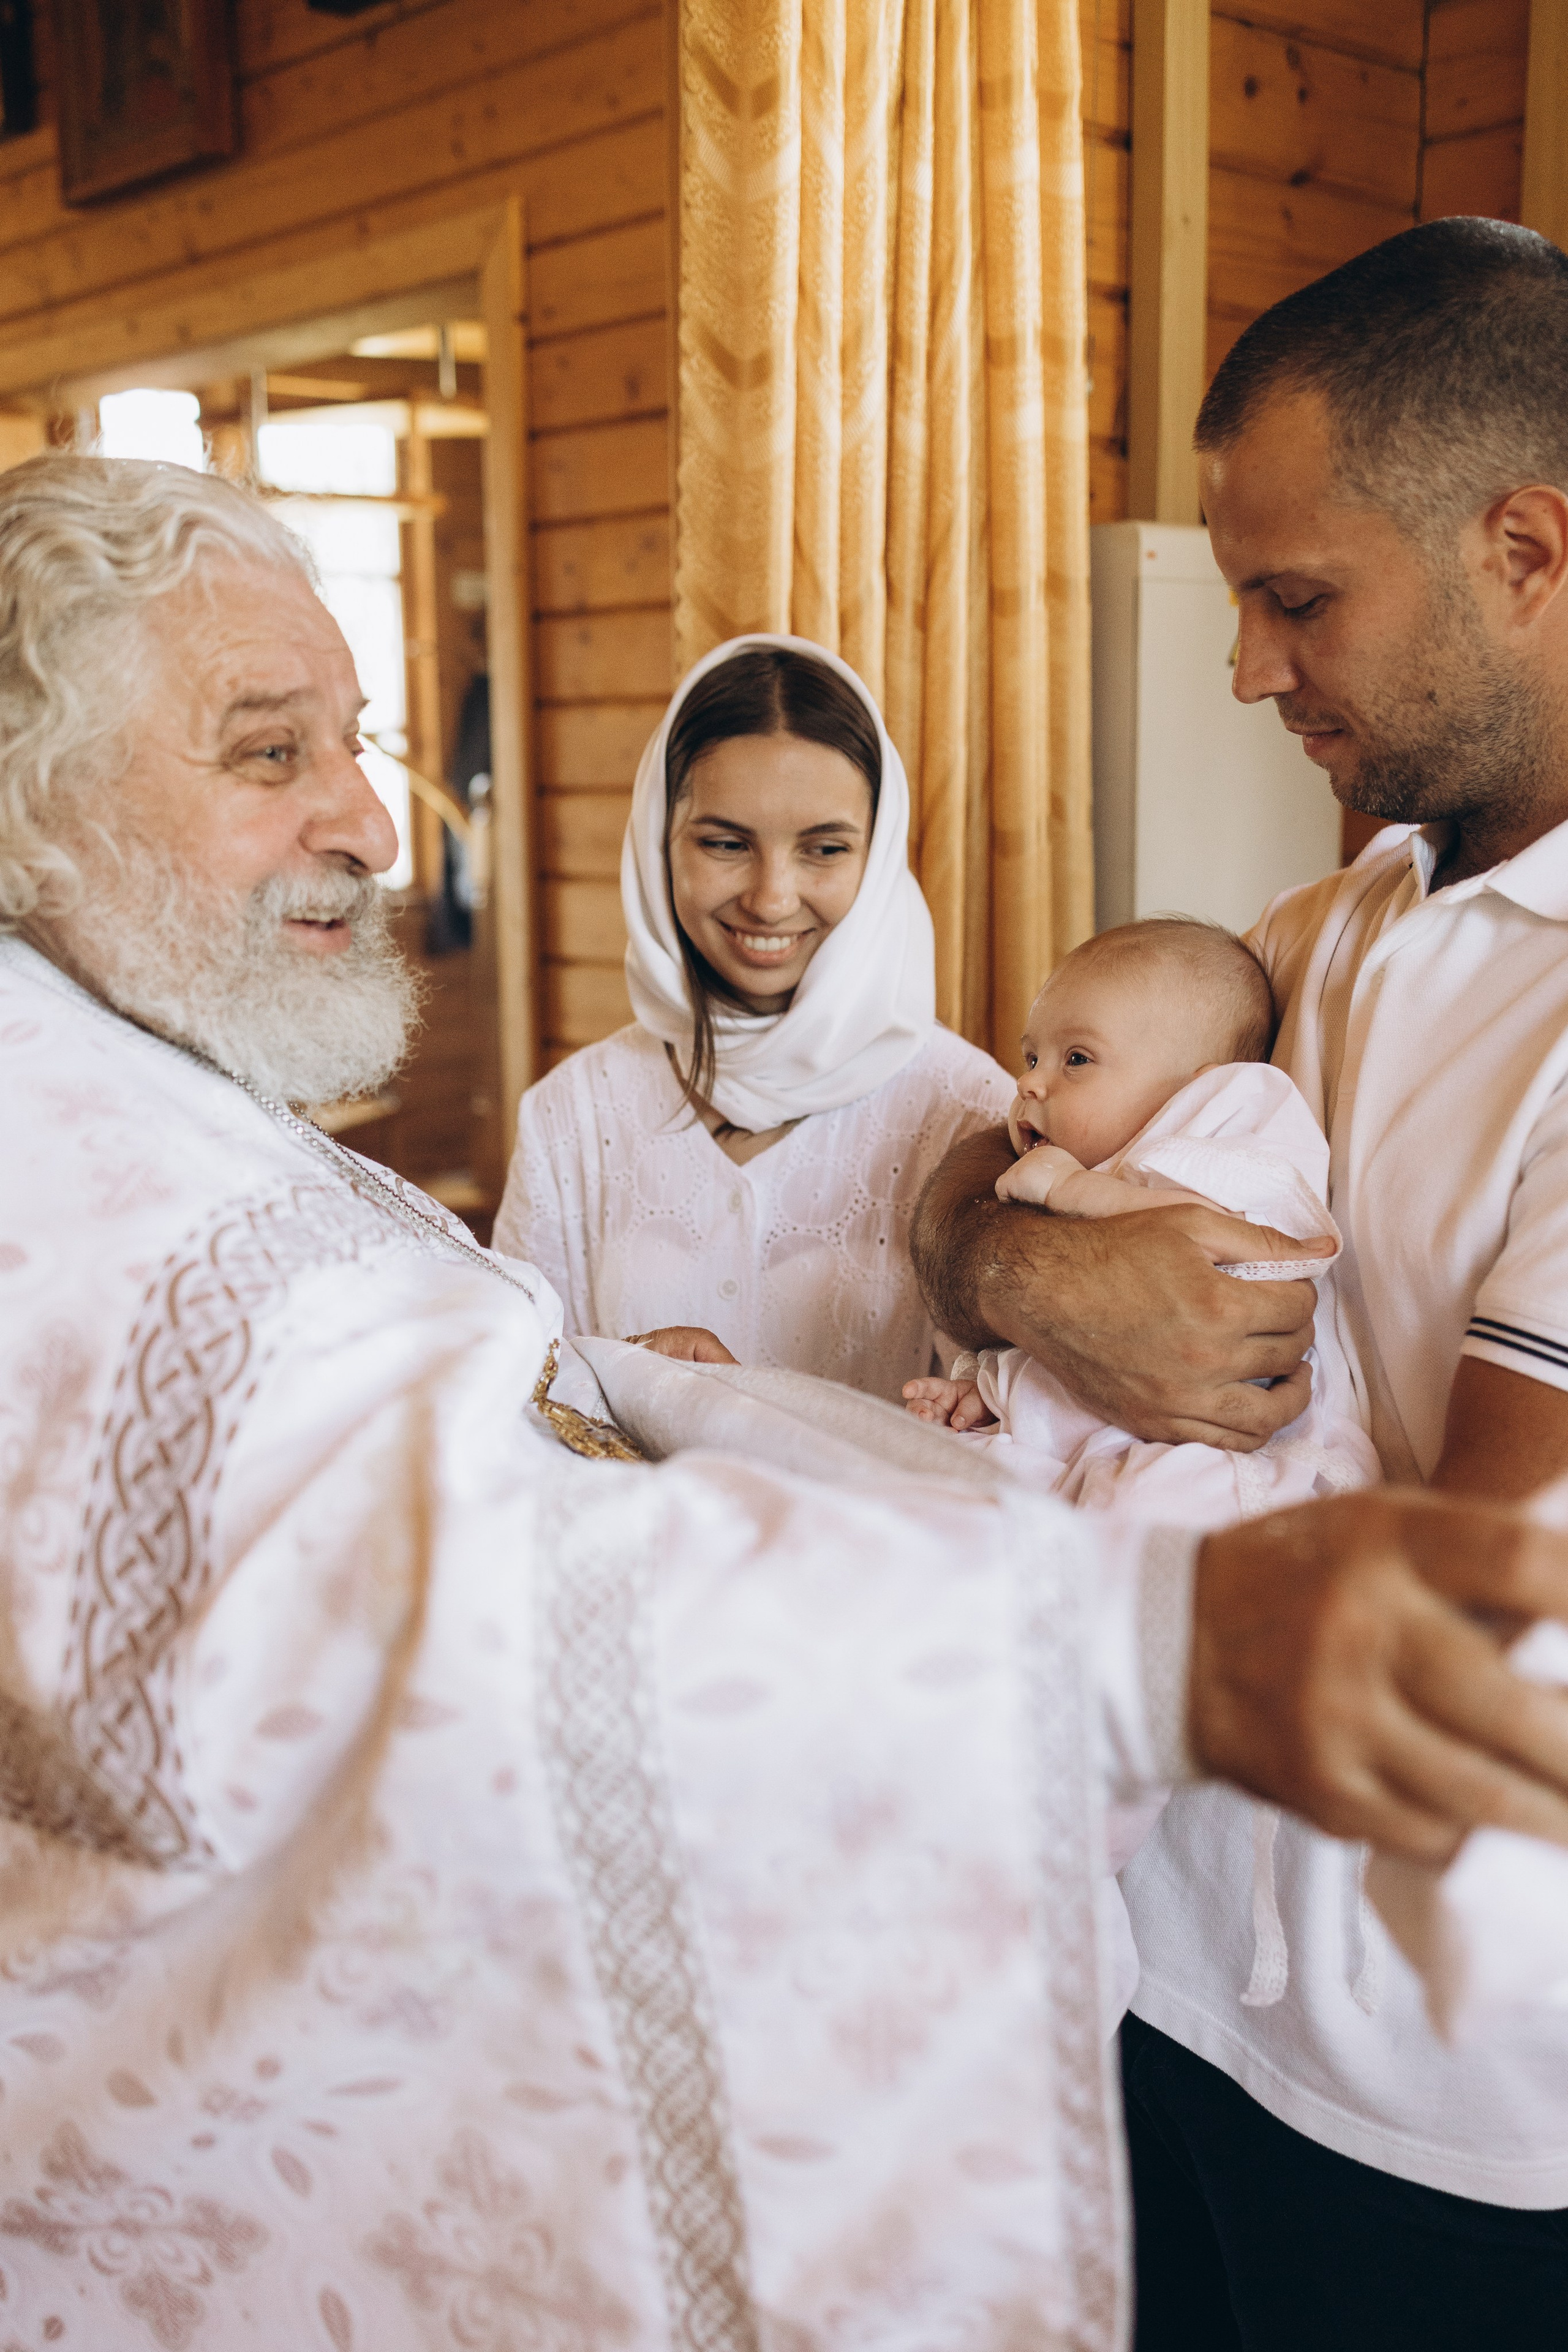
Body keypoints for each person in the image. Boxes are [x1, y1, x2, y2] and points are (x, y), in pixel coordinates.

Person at [7, 453, 1568, 2350]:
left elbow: (1460, 1537)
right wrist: (1121, 1626)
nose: (368, 818)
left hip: (1393, 1986)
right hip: (1153, 1900)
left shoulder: (1300, 940)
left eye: (356, 740)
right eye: (267, 754)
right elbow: (406, 1561)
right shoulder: (88, 1139)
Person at [910, 217, 1568, 2350]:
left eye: (1298, 600)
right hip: (1155, 1944)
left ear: (1531, 553)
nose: (1248, 670)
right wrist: (1033, 1276)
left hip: (1432, 2066)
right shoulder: (1338, 915)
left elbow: (1482, 1579)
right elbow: (986, 1165)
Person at [492, 636, 1012, 1401]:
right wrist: (618, 1378)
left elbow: (1016, 1419)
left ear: (878, 857)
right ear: (656, 845)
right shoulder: (572, 1116)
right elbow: (505, 1395)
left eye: (824, 849)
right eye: (726, 843)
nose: (771, 898)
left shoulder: (968, 1114)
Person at [902, 917, 1376, 1528]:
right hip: (1094, 1448)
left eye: (1076, 1059)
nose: (1027, 1081)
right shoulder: (1086, 1170)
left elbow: (1218, 1241)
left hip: (1210, 1458)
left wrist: (1077, 1191)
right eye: (1031, 1056)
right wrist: (989, 1393)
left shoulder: (1232, 1135)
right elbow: (1074, 1341)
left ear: (1200, 1091)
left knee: (1136, 1523)